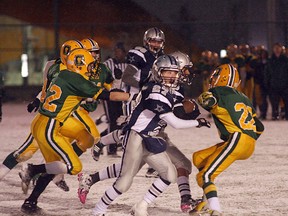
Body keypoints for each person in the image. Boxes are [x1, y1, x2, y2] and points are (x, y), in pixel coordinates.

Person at [78, 51, 203, 213]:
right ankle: (98, 205)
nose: (186, 74)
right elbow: (172, 117)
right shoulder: (156, 90)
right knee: (127, 175)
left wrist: (191, 109)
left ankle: (180, 201)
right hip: (144, 134)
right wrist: (194, 116)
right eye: (184, 70)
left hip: (155, 134)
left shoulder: (174, 88)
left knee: (171, 168)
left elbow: (178, 110)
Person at [18, 48, 131, 214]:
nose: (93, 67)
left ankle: (31, 199)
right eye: (90, 62)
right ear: (79, 62)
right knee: (73, 167)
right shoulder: (76, 79)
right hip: (51, 124)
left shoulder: (64, 74)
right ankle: (33, 169)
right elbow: (110, 96)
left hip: (55, 121)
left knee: (88, 139)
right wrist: (132, 97)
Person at [0, 40, 85, 192]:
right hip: (48, 117)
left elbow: (48, 89)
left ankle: (54, 176)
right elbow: (50, 90)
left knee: (60, 148)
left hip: (62, 118)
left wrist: (37, 100)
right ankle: (14, 172)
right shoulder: (61, 69)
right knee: (25, 153)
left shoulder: (56, 66)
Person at [190, 64, 264, 216]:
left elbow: (206, 101)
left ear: (222, 77)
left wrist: (204, 99)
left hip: (237, 138)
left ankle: (216, 208)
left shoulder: (218, 91)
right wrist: (249, 139)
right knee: (199, 158)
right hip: (246, 142)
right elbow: (260, 127)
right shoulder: (244, 97)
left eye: (216, 75)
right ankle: (205, 199)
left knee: (205, 176)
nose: (213, 78)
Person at [101, 42, 128, 156]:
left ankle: (103, 139)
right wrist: (111, 79)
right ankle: (111, 148)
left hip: (122, 96)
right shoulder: (108, 64)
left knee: (121, 121)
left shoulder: (128, 65)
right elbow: (101, 77)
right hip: (110, 95)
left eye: (119, 51)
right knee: (112, 121)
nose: (117, 54)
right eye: (115, 51)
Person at [264, 43, 288, 120]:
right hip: (273, 85)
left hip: (285, 85)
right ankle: (275, 114)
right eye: (275, 48)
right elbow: (267, 73)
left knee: (286, 101)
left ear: (281, 49)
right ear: (273, 50)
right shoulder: (270, 60)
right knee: (274, 102)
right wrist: (267, 83)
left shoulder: (285, 60)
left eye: (278, 48)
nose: (277, 50)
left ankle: (286, 115)